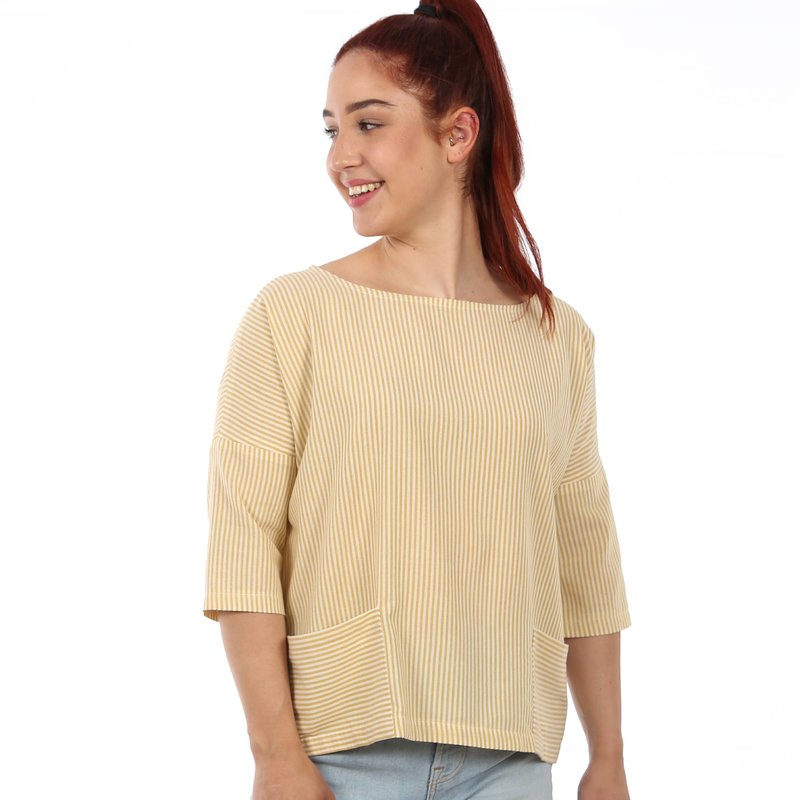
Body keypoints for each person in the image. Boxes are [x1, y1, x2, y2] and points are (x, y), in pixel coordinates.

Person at [202, 2, 632, 798]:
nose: (342, 156)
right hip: (342, 757)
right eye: (332, 130)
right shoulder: (295, 314)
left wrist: (607, 755)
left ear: (458, 134)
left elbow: (586, 558)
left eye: (369, 123)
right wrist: (275, 757)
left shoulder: (555, 336)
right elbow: (244, 546)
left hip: (511, 760)